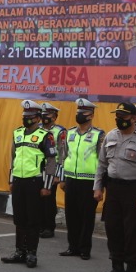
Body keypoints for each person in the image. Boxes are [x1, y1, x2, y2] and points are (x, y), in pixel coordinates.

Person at [93, 102, 136, 272]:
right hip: (113, 188)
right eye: (118, 116)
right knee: (113, 228)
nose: (119, 119)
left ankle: (131, 269)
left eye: (124, 116)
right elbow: (102, 164)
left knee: (133, 230)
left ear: (134, 118)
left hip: (134, 190)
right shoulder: (111, 135)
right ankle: (116, 266)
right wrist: (98, 187)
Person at [1, 101, 57, 268]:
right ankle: (20, 251)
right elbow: (13, 158)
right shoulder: (17, 133)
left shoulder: (45, 136)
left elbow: (51, 162)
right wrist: (11, 179)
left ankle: (32, 253)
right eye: (24, 117)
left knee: (33, 219)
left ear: (38, 118)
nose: (26, 120)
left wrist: (47, 186)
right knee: (19, 219)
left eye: (30, 117)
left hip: (35, 181)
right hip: (18, 180)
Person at [60, 98, 102, 260]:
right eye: (77, 111)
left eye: (82, 112)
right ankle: (73, 246)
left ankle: (85, 249)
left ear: (91, 115)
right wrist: (62, 178)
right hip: (71, 179)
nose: (79, 115)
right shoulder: (69, 133)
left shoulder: (99, 135)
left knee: (86, 216)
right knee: (71, 215)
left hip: (89, 181)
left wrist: (100, 184)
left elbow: (102, 161)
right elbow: (63, 157)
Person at [38, 103, 68, 238]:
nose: (45, 117)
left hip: (51, 171)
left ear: (55, 117)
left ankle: (49, 227)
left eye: (48, 114)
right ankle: (39, 225)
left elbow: (63, 154)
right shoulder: (37, 129)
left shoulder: (60, 131)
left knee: (48, 200)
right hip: (36, 170)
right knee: (38, 199)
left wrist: (58, 175)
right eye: (43, 114)